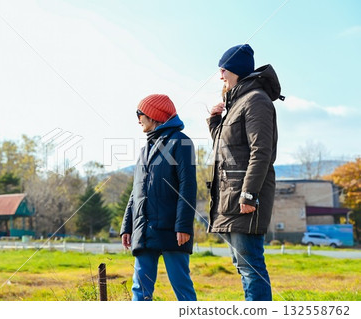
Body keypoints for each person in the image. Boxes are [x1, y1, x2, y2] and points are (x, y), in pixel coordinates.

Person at [206, 44, 282, 301]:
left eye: (223, 70)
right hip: (232, 199)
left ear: (235, 70)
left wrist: (249, 194)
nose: (220, 76)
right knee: (244, 267)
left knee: (251, 269)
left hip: (243, 200)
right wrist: (215, 121)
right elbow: (227, 149)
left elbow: (261, 151)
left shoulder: (255, 100)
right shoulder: (237, 103)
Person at [120, 94, 197, 301]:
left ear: (153, 115)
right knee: (140, 289)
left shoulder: (182, 143)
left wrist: (183, 226)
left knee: (182, 287)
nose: (138, 119)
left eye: (140, 114)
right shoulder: (145, 149)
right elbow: (136, 192)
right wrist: (127, 227)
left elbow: (188, 187)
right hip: (144, 231)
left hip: (172, 231)